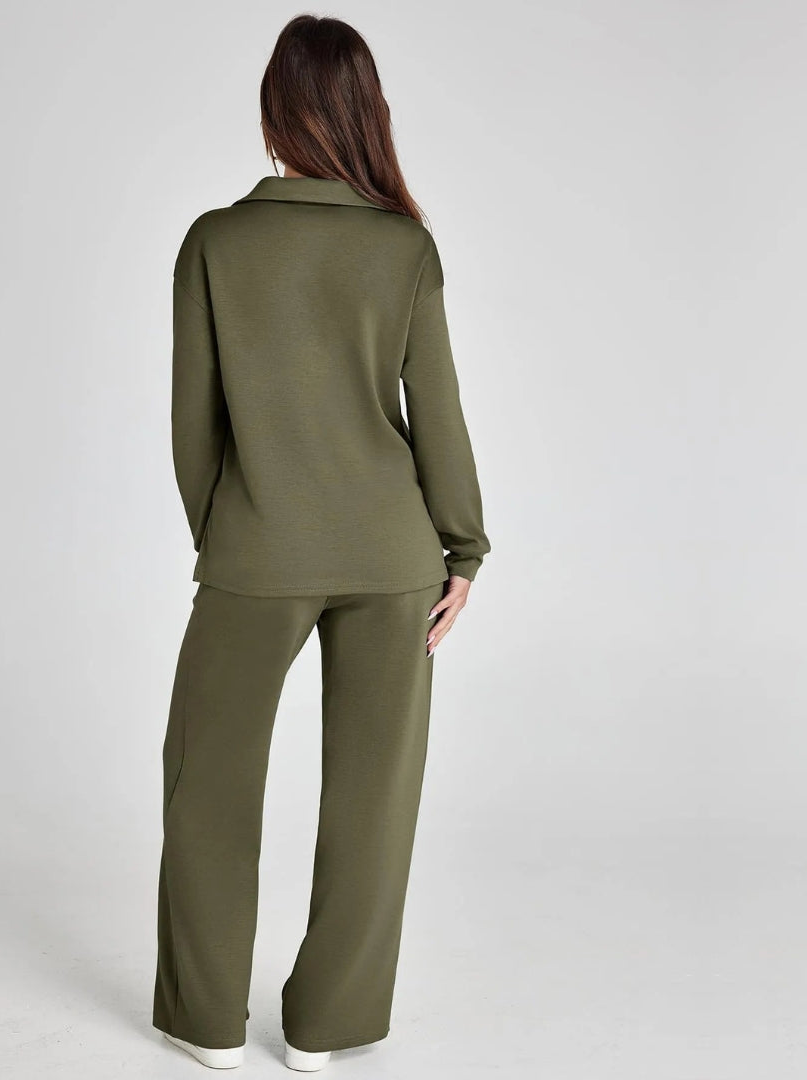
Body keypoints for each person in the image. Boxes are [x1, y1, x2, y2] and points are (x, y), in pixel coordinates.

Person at [153, 13, 491, 1073]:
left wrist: (228, 533)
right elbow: (438, 413)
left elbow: (194, 422)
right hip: (395, 557)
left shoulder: (216, 242)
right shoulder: (404, 247)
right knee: (374, 799)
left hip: (258, 550)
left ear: (274, 114)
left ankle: (209, 1023)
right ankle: (328, 1029)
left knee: (206, 784)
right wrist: (462, 552)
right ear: (363, 113)